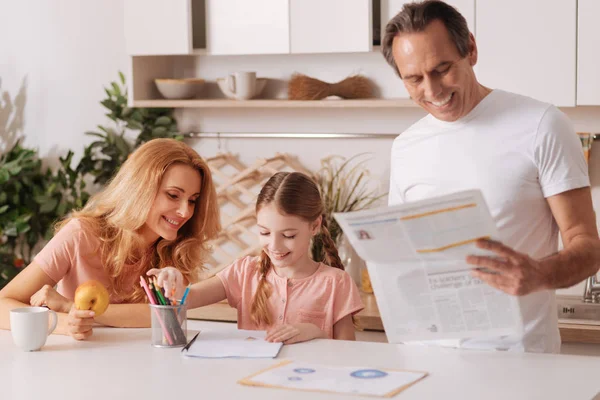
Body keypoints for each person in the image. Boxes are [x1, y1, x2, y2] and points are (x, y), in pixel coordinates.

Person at [382, 0, 600, 352]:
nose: (432, 90)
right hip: (427, 360)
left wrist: (541, 275)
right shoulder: (406, 146)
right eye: (414, 79)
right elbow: (402, 254)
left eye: (442, 69)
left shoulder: (541, 125)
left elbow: (588, 246)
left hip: (518, 363)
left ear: (471, 48)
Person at [0, 138, 220, 340]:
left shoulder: (178, 248)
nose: (185, 212)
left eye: (192, 200)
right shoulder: (80, 235)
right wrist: (62, 322)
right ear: (140, 189)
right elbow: (2, 305)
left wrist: (70, 306)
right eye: (173, 195)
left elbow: (164, 315)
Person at [149, 171, 364, 344]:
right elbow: (188, 298)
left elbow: (347, 353)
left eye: (288, 235)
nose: (275, 245)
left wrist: (315, 333)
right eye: (264, 232)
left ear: (315, 226)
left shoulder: (336, 282)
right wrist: (173, 282)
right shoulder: (245, 271)